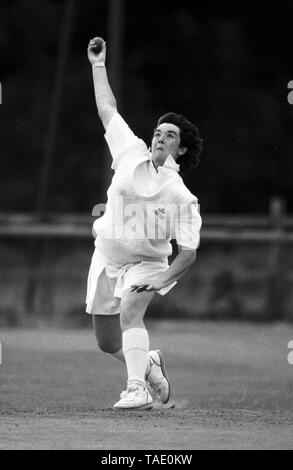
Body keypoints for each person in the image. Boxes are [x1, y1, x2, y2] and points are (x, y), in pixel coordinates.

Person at [86, 37, 203, 410]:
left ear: (180, 150)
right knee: (106, 342)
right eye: (159, 131)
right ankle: (150, 362)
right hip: (106, 256)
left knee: (130, 312)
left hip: (147, 264)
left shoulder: (182, 196)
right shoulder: (131, 150)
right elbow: (107, 108)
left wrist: (162, 278)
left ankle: (136, 388)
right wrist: (97, 65)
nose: (160, 136)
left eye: (170, 136)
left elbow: (188, 253)